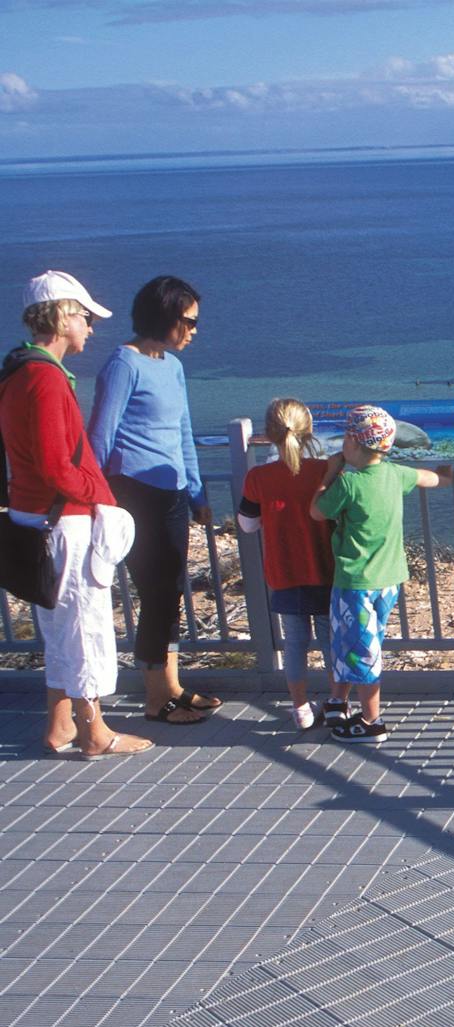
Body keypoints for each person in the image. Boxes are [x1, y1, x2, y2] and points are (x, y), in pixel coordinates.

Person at [0, 271, 150, 758]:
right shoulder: (44, 378)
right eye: (85, 317)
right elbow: (53, 464)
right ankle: (94, 733)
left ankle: (59, 725)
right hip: (62, 520)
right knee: (84, 628)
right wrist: (100, 493)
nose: (90, 326)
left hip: (35, 516)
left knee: (60, 629)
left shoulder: (19, 371)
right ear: (63, 317)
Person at [87, 274, 218, 725]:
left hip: (172, 491)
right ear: (163, 316)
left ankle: (173, 687)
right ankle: (154, 699)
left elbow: (183, 433)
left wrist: (198, 491)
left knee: (171, 590)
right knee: (156, 592)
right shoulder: (123, 364)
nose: (194, 330)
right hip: (135, 493)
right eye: (188, 321)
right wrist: (95, 500)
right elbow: (99, 438)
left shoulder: (171, 366)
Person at [310, 404, 452, 745]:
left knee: (361, 651)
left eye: (345, 438)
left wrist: (326, 476)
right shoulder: (395, 474)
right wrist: (447, 474)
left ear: (355, 445)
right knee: (359, 643)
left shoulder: (348, 484)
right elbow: (429, 478)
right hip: (389, 581)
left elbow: (316, 511)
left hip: (355, 583)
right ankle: (338, 702)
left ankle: (372, 722)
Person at [237, 399, 334, 729]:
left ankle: (301, 710)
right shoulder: (324, 471)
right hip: (326, 570)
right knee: (331, 641)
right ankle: (339, 703)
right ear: (308, 431)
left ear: (268, 434)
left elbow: (248, 524)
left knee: (294, 644)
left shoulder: (258, 477)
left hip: (285, 572)